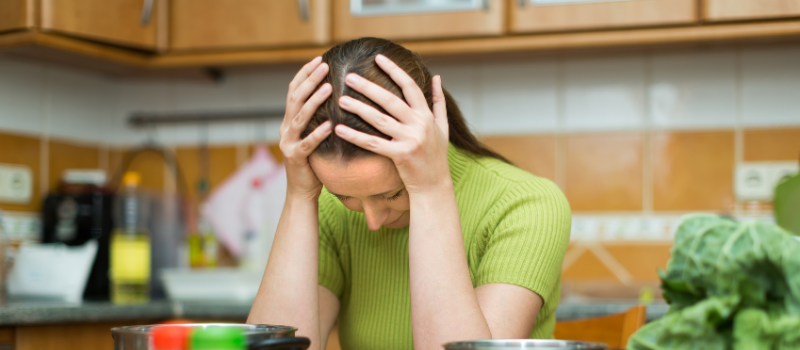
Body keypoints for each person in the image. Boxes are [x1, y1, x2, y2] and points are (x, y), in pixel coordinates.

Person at [247, 37, 571, 350]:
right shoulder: (329, 209)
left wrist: (430, 191)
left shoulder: (525, 204)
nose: (372, 220)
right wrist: (299, 197)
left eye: (391, 195)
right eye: (346, 197)